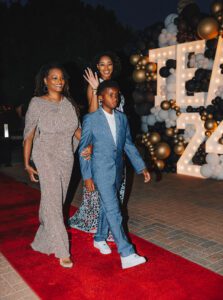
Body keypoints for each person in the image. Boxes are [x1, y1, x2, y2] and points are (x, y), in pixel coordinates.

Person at [79, 80, 151, 269]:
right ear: (101, 97)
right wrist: (87, 176)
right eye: (110, 94)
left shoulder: (122, 118)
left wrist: (141, 167)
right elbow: (83, 149)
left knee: (107, 206)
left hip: (118, 170)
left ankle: (99, 237)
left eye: (117, 94)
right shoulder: (91, 119)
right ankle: (126, 254)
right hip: (100, 171)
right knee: (114, 210)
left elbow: (127, 144)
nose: (115, 98)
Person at [23, 62, 81, 268]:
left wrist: (87, 147)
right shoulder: (37, 103)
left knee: (55, 200)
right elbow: (29, 135)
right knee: (54, 202)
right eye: (54, 78)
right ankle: (62, 250)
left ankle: (42, 239)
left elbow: (77, 131)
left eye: (61, 78)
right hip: (44, 153)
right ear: (45, 81)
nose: (59, 81)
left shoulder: (69, 104)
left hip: (66, 156)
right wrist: (27, 164)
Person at [69, 51, 125, 236]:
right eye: (102, 64)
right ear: (97, 67)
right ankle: (99, 225)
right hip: (101, 142)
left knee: (116, 184)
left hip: (116, 143)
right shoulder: (94, 86)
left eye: (109, 64)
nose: (106, 68)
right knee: (101, 187)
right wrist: (94, 89)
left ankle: (108, 224)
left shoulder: (116, 87)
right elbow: (93, 114)